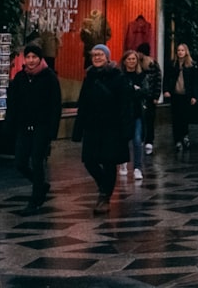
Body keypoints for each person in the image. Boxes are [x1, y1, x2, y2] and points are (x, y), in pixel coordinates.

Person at [72, 44, 131, 215]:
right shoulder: (89, 77)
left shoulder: (117, 77)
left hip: (111, 127)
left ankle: (105, 197)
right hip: (92, 126)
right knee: (89, 160)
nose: (97, 57)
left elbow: (125, 105)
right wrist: (78, 128)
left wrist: (125, 129)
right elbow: (82, 103)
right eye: (94, 55)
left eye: (100, 55)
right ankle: (103, 186)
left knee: (109, 161)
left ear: (107, 57)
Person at [8, 44, 62, 213]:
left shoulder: (49, 77)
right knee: (20, 163)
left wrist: (52, 130)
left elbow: (55, 105)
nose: (31, 61)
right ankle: (41, 185)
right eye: (28, 57)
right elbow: (14, 103)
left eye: (34, 57)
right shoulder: (20, 77)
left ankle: (35, 200)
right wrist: (11, 124)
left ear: (40, 58)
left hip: (42, 126)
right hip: (24, 126)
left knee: (37, 161)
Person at [119, 50, 149, 180]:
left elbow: (145, 91)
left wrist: (135, 91)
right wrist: (133, 90)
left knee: (137, 140)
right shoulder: (120, 76)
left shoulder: (142, 76)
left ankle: (137, 167)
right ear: (124, 61)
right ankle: (123, 162)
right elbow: (121, 93)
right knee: (123, 139)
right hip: (123, 113)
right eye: (129, 59)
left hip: (137, 112)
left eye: (134, 59)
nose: (131, 61)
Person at [163, 43, 198, 151]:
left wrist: (194, 96)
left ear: (186, 52)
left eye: (182, 50)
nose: (180, 52)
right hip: (175, 94)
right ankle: (177, 139)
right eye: (178, 50)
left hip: (186, 95)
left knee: (185, 117)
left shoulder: (191, 65)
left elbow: (195, 82)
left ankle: (185, 136)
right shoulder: (172, 64)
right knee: (176, 117)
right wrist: (166, 90)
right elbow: (166, 78)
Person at [136, 42, 160, 156]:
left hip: (150, 96)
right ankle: (141, 138)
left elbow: (158, 80)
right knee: (141, 118)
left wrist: (156, 96)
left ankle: (149, 140)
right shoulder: (136, 64)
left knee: (150, 119)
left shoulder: (152, 64)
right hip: (141, 96)